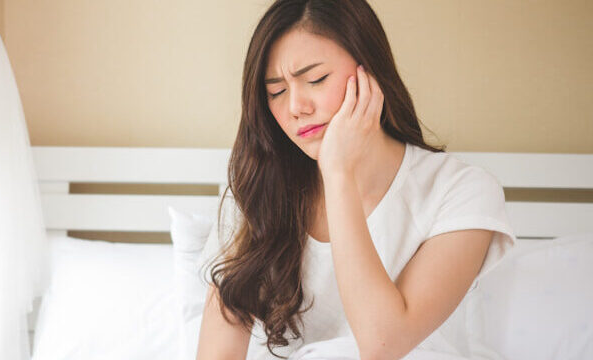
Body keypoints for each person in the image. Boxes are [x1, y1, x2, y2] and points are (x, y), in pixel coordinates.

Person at [196, 0, 517, 359]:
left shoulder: (461, 191)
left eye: (316, 79)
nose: (295, 107)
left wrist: (338, 174)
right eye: (277, 91)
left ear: (370, 70)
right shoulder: (258, 190)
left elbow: (383, 344)